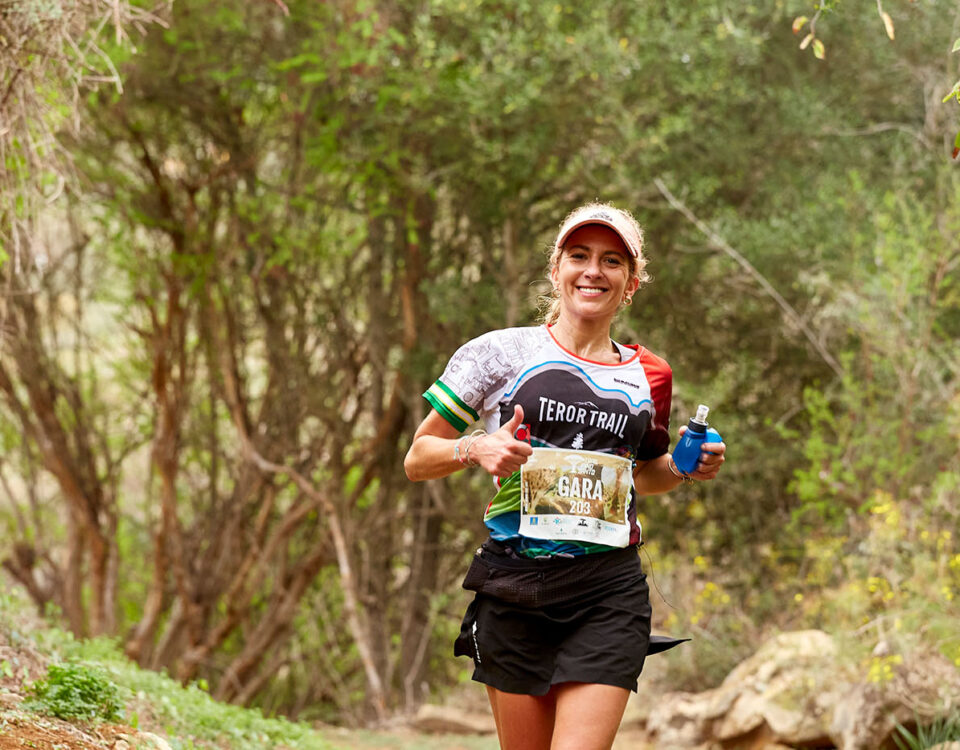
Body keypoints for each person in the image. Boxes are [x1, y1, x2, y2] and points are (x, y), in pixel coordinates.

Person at [403, 202, 726, 750]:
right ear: (557, 270)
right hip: (514, 585)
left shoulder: (651, 375)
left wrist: (683, 468)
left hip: (608, 590)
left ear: (631, 283)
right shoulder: (497, 353)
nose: (593, 270)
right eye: (579, 256)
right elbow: (417, 457)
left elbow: (643, 474)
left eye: (612, 261)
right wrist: (476, 447)